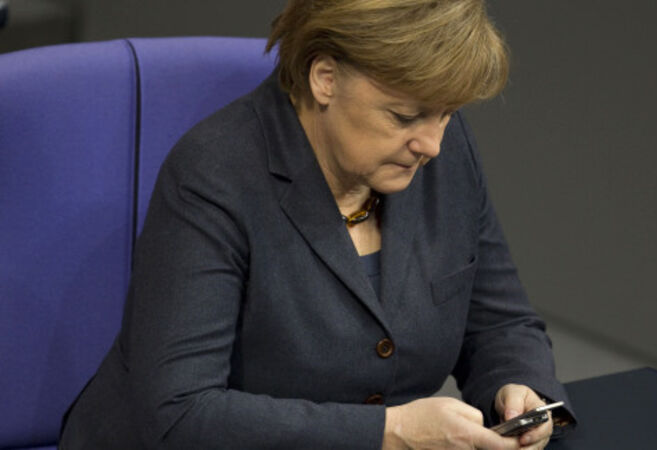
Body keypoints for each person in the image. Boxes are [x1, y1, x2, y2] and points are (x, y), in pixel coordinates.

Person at [59, 0, 576, 448]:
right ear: (325, 78)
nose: (432, 144)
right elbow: (181, 413)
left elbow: (500, 323)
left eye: (446, 114)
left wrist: (519, 389)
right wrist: (391, 431)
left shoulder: (441, 152)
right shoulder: (213, 177)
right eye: (404, 117)